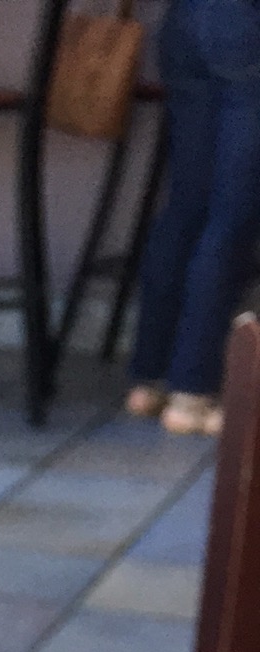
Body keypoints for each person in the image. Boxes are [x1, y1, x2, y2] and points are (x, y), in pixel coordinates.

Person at [126, 0, 260, 436]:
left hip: (186, 21)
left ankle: (149, 379)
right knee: (232, 218)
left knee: (187, 207)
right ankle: (192, 392)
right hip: (247, 28)